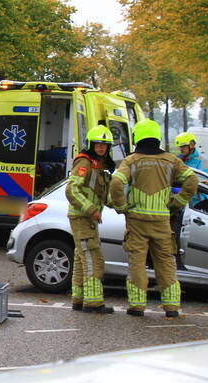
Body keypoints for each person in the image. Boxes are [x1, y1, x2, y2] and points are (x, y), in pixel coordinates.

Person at [109, 119, 198, 318]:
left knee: (137, 264)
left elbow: (116, 182)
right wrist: (177, 203)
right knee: (166, 263)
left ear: (137, 137)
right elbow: (192, 180)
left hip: (137, 222)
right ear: (156, 136)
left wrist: (121, 206)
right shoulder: (171, 160)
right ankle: (172, 307)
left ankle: (137, 306)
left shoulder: (131, 161)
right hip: (162, 223)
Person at [66, 125, 115, 313]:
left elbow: (102, 194)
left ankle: (78, 300)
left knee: (80, 257)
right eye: (97, 144)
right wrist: (91, 209)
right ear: (90, 144)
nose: (101, 147)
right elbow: (72, 190)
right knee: (92, 257)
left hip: (87, 218)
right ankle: (93, 303)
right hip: (82, 217)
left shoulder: (100, 165)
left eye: (105, 144)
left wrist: (122, 207)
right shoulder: (85, 162)